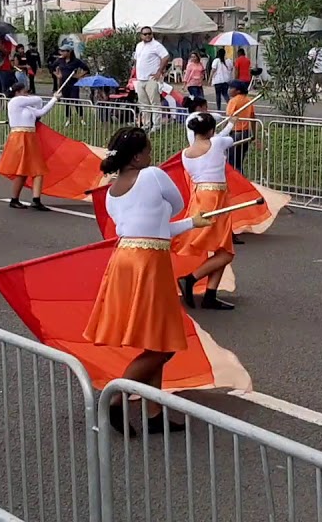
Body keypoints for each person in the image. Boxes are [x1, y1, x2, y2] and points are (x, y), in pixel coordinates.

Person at [83, 126, 212, 435]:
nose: (152, 155)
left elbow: (153, 228)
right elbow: (176, 205)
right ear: (138, 155)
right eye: (149, 150)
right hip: (149, 262)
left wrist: (190, 224)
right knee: (163, 345)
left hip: (124, 259)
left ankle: (154, 413)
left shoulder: (112, 192)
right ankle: (115, 398)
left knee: (155, 340)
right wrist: (185, 218)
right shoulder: (153, 175)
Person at [175, 112, 239, 311]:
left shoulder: (185, 154)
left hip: (200, 196)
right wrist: (231, 123)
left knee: (222, 248)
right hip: (215, 199)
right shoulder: (216, 143)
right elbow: (228, 138)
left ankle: (211, 294)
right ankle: (190, 279)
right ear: (211, 130)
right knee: (226, 252)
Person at [0, 81, 60, 210]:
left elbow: (41, 111)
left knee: (38, 169)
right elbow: (38, 100)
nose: (27, 94)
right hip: (19, 137)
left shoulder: (27, 108)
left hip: (30, 137)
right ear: (18, 93)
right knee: (22, 171)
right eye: (25, 92)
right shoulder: (14, 102)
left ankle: (36, 199)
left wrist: (54, 99)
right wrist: (38, 100)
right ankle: (15, 199)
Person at [133, 27, 170, 132]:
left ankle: (156, 126)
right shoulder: (139, 46)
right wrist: (135, 72)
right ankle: (146, 124)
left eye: (149, 33)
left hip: (151, 78)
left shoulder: (156, 45)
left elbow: (166, 57)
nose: (147, 35)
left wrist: (159, 71)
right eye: (145, 34)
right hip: (140, 79)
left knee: (155, 103)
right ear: (141, 35)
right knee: (143, 104)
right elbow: (136, 59)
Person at [224, 80, 255, 176]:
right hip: (246, 132)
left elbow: (229, 118)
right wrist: (254, 134)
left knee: (231, 161)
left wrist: (223, 132)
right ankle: (240, 180)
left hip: (235, 132)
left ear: (237, 91)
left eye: (231, 88)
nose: (229, 90)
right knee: (239, 160)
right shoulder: (248, 100)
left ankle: (235, 183)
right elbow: (253, 118)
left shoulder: (233, 101)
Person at [53, 45, 90, 123]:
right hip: (63, 83)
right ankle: (68, 119)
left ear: (69, 52)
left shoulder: (76, 61)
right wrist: (58, 75)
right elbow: (51, 67)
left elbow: (86, 69)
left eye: (63, 51)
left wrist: (79, 76)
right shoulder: (60, 60)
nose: (61, 52)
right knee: (66, 101)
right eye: (61, 51)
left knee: (75, 99)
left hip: (73, 83)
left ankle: (81, 118)